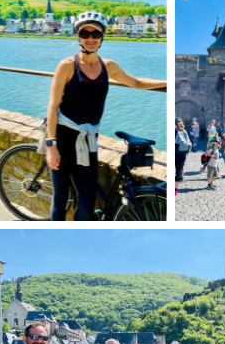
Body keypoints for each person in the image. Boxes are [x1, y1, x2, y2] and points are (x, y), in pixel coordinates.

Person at [44, 11, 166, 221]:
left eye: (96, 34)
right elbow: (53, 106)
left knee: (87, 204)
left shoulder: (107, 66)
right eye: (85, 33)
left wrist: (167, 82)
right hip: (63, 139)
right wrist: (51, 146)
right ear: (78, 36)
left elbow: (135, 82)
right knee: (61, 199)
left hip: (89, 140)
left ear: (102, 37)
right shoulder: (66, 66)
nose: (90, 38)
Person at [175, 119, 192, 193]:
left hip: (175, 152)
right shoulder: (184, 131)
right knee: (179, 170)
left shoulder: (174, 131)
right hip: (183, 153)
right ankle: (175, 189)